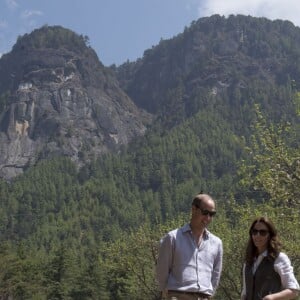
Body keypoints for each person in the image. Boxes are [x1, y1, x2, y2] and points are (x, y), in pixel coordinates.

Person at [156, 193, 223, 300]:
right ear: (193, 209)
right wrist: (167, 293)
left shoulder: (217, 243)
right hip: (177, 295)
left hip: (204, 296)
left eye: (212, 214)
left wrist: (209, 294)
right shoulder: (172, 238)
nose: (208, 218)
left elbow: (216, 274)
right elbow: (161, 272)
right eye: (205, 212)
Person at [241, 216, 299, 300]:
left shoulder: (279, 258)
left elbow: (294, 290)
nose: (257, 235)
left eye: (263, 232)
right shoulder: (248, 261)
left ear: (270, 235)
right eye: (254, 232)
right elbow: (245, 292)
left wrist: (272, 297)